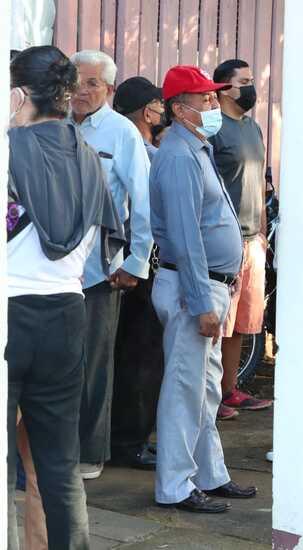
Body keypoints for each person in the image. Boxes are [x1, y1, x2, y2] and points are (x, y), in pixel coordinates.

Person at [6, 45, 125, 550]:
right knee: (59, 466)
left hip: (10, 312)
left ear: (18, 95)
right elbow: (108, 243)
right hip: (68, 312)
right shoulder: (89, 156)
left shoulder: (8, 150)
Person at [150, 65, 256, 513]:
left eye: (214, 98)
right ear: (180, 109)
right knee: (184, 388)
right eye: (206, 99)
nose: (215, 105)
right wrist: (200, 302)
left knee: (206, 387)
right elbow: (186, 236)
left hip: (210, 285)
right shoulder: (178, 155)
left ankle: (209, 473)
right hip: (193, 287)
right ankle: (175, 486)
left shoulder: (196, 148)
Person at [69, 49, 154, 481]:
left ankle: (89, 453)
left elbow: (144, 200)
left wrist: (137, 261)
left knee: (94, 365)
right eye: (76, 82)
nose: (81, 92)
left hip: (99, 270)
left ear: (109, 89)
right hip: (51, 269)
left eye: (92, 84)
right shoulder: (55, 124)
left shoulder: (121, 133)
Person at [107, 76, 168, 470]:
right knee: (141, 356)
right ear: (148, 112)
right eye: (160, 106)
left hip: (128, 260)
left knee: (131, 354)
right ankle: (130, 441)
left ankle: (128, 438)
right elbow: (146, 213)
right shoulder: (146, 152)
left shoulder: (122, 142)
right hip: (139, 264)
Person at [210, 59, 273, 420]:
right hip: (224, 239)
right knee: (218, 322)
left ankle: (228, 390)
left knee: (242, 322)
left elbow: (260, 180)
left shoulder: (253, 127)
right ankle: (209, 396)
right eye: (244, 81)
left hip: (252, 239)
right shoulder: (213, 127)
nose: (251, 87)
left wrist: (261, 229)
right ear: (223, 88)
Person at [113, 76, 166, 160]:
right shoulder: (157, 157)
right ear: (147, 115)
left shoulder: (114, 147)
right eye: (160, 105)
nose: (164, 110)